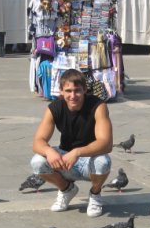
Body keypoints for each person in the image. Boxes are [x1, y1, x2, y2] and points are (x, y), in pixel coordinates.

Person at [31, 69, 113, 217]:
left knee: (103, 162)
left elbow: (106, 143)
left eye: (77, 91)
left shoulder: (98, 106)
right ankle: (66, 189)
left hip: (90, 160)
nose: (73, 96)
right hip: (65, 160)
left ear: (85, 90)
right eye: (68, 91)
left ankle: (95, 193)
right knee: (37, 162)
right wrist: (49, 151)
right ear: (61, 91)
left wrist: (77, 152)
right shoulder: (54, 108)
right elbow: (38, 142)